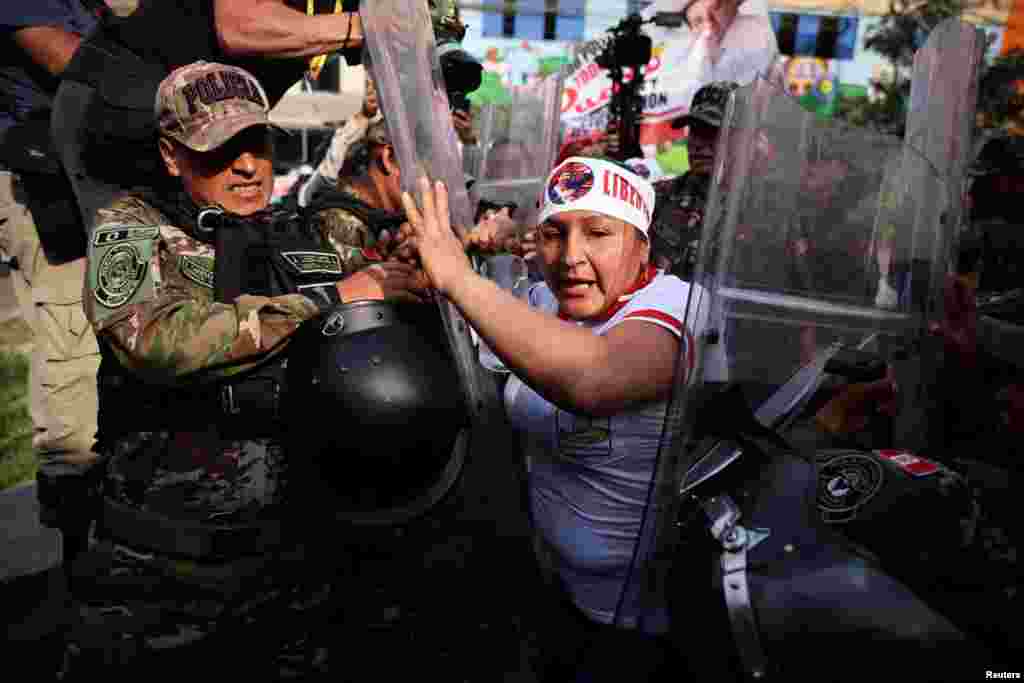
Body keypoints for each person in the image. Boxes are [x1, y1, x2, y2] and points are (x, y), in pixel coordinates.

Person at [68, 61, 427, 678]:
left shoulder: (288, 229)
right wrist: (326, 301)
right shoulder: (131, 229)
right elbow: (155, 339)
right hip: (165, 571)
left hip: (292, 560)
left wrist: (398, 267)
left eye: (257, 144)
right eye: (220, 149)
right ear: (171, 155)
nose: (247, 166)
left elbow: (362, 276)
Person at [398, 158, 726, 681]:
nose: (571, 257)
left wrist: (458, 278)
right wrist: (423, 283)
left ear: (641, 245)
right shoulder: (541, 303)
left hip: (642, 623)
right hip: (550, 587)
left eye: (598, 233)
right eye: (554, 234)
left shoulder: (682, 307)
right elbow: (478, 342)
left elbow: (595, 378)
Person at [51, 0, 366, 237]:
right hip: (123, 102)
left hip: (213, 125)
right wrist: (367, 25)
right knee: (148, 265)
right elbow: (240, 24)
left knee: (227, 256)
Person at [0, 0, 106, 584]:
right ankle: (76, 565)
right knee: (73, 359)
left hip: (91, 184)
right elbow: (68, 59)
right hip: (47, 188)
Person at [650, 80, 737, 278]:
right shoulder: (659, 197)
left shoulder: (762, 208)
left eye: (711, 132)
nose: (698, 144)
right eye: (695, 132)